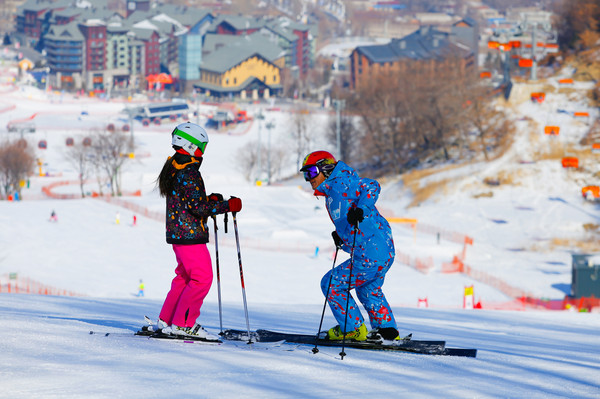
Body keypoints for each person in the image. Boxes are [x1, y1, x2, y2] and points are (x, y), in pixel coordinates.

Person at [154, 122, 242, 339]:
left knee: (184, 278)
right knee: (202, 278)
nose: (203, 152)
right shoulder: (190, 171)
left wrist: (207, 200)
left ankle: (168, 319)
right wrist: (226, 206)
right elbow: (197, 207)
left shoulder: (174, 165)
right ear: (191, 146)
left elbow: (189, 199)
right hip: (190, 235)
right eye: (201, 146)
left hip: (178, 233)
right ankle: (183, 324)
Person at [300, 150, 399, 342]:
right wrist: (341, 237)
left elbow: (372, 186)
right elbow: (354, 220)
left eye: (311, 173)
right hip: (381, 249)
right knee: (368, 289)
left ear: (326, 169)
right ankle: (386, 331)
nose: (308, 179)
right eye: (305, 175)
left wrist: (362, 208)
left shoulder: (340, 183)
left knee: (331, 284)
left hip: (371, 251)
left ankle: (353, 329)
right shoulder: (332, 192)